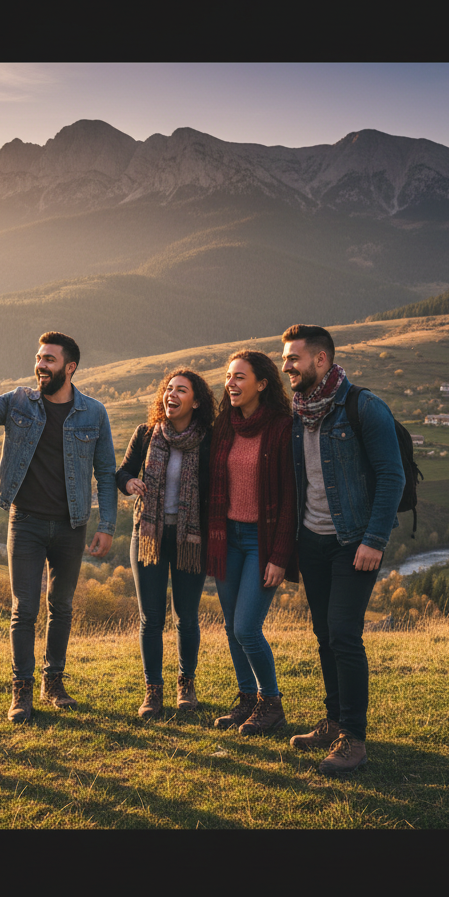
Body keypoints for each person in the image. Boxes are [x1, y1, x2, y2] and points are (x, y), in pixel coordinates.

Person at [0, 332, 116, 722]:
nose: (41, 365)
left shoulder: (93, 413)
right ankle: (21, 690)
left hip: (71, 525)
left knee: (60, 606)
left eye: (50, 359)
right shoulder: (18, 401)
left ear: (70, 367)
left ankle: (53, 682)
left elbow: (107, 471)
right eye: (39, 358)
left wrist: (107, 524)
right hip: (24, 522)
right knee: (23, 609)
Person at [281, 324, 404, 773]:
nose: (286, 365)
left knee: (344, 635)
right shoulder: (297, 412)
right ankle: (333, 722)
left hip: (353, 541)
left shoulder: (363, 407)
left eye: (294, 357)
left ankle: (354, 739)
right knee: (323, 636)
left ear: (321, 359)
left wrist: (374, 539)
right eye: (285, 357)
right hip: (311, 541)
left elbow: (392, 476)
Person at [116, 369, 215, 718]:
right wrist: (129, 484)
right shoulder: (146, 434)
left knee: (186, 618)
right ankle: (152, 691)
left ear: (196, 401)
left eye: (181, 390)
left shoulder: (208, 440)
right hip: (148, 536)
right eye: (169, 389)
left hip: (190, 539)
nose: (171, 395)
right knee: (151, 619)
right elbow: (123, 472)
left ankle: (185, 685)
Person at [208, 350, 298, 735]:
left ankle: (271, 703)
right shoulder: (224, 425)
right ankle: (246, 701)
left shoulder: (281, 428)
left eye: (240, 377)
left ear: (262, 384)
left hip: (261, 541)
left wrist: (280, 556)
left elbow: (292, 498)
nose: (231, 383)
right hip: (226, 537)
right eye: (229, 376)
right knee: (231, 626)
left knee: (247, 627)